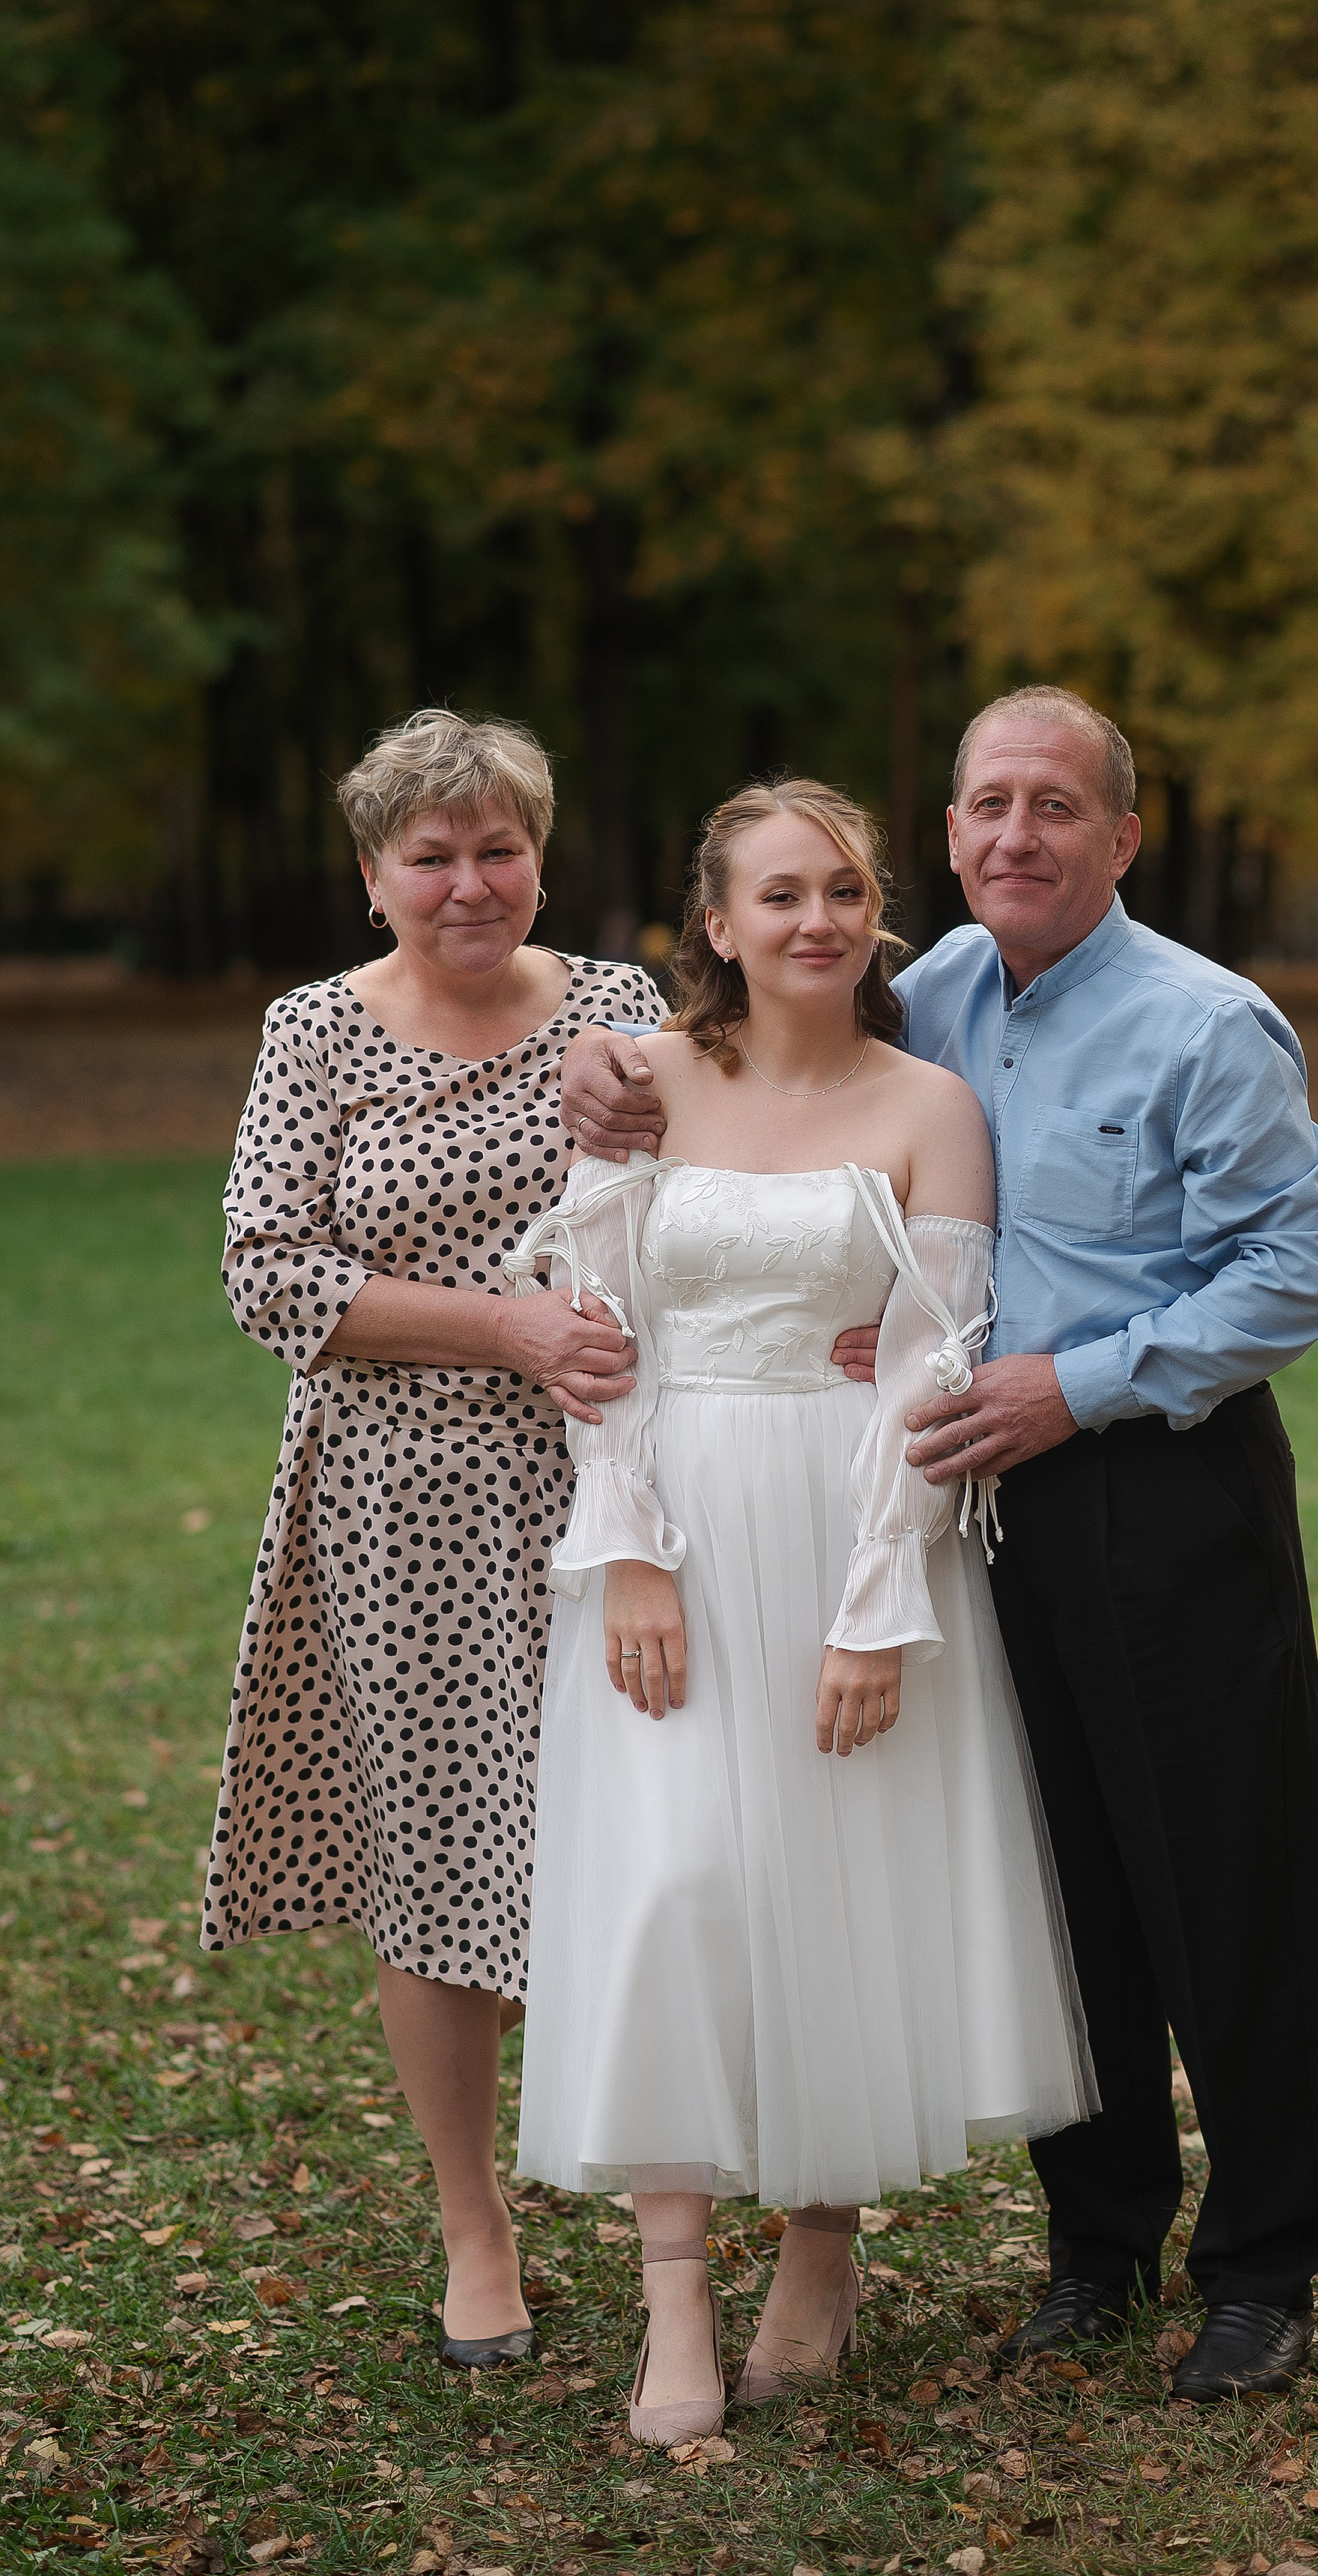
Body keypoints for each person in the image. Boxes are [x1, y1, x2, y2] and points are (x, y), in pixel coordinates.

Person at [559, 687, 1318, 2401]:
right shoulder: (924, 1000)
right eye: (988, 802)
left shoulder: (1203, 1023)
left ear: (1121, 836)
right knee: (1058, 1872)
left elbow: (1298, 1267)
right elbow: (755, 1073)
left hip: (1155, 1482)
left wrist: (1071, 1383)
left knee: (1220, 1875)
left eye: (1055, 805)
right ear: (947, 835)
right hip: (949, 1497)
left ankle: (1264, 2259)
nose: (1018, 833)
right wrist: (600, 1059)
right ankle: (1098, 2239)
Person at [512, 778, 1091, 2446]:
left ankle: (820, 2245)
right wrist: (625, 1550)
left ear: (876, 909)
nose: (814, 921)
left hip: (854, 1527)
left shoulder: (930, 1106)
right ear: (716, 922)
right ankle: (674, 2294)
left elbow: (931, 1367)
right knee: (678, 1884)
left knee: (835, 1883)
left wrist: (875, 1603)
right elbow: (595, 1329)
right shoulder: (645, 1090)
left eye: (840, 889)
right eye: (777, 896)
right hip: (671, 1520)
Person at [202, 708, 665, 2370]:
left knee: (639, 1832)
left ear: (538, 852)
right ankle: (477, 2227)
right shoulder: (315, 1029)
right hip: (399, 1505)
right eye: (432, 854)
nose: (470, 883)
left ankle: (657, 2191)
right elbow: (269, 1274)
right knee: (436, 1860)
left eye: (499, 847)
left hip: (615, 1487)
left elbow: (717, 1194)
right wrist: (509, 1328)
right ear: (374, 871)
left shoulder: (622, 1006)